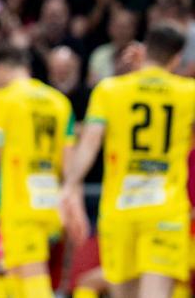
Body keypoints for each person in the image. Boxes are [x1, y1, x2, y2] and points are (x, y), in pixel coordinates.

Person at [62, 23, 195, 298]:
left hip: (119, 209)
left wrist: (70, 186)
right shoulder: (189, 93)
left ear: (145, 49)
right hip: (165, 209)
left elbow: (89, 143)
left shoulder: (110, 89)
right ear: (177, 57)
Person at [0, 46, 73, 298]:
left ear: (2, 68)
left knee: (32, 275)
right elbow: (68, 161)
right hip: (50, 200)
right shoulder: (59, 101)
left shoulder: (3, 99)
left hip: (19, 204)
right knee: (12, 273)